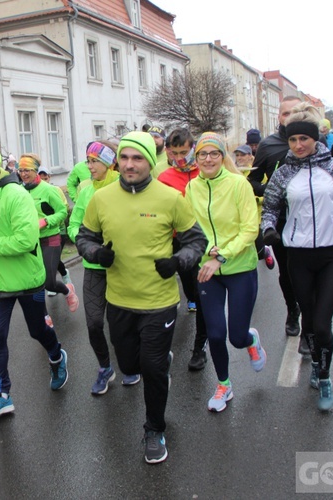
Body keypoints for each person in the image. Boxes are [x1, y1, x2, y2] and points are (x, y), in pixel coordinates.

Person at [76, 131, 206, 464]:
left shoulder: (170, 198)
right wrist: (95, 253)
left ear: (150, 161)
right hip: (119, 300)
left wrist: (179, 262)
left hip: (159, 300)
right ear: (117, 161)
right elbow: (84, 237)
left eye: (138, 158)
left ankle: (154, 429)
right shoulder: (101, 199)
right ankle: (159, 363)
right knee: (130, 365)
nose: (131, 164)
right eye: (125, 158)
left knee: (151, 367)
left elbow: (196, 241)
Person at [261, 103, 333, 412]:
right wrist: (269, 229)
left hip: (331, 255)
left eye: (304, 140)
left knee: (322, 325)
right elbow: (269, 207)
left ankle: (324, 376)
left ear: (315, 139)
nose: (298, 146)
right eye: (293, 140)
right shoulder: (283, 173)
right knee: (310, 322)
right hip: (298, 256)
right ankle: (315, 357)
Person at [0, 143, 69, 417]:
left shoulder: (16, 195)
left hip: (28, 281)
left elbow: (26, 239)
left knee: (37, 331)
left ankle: (56, 356)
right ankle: (3, 395)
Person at [185, 133, 265, 413]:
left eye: (214, 154)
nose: (208, 159)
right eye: (202, 154)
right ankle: (224, 384)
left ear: (223, 157)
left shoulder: (238, 184)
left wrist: (221, 255)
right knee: (216, 334)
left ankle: (250, 340)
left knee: (236, 336)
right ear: (196, 159)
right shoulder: (192, 187)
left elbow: (249, 228)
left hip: (240, 266)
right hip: (208, 270)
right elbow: (190, 227)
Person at [68, 140, 140, 394]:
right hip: (94, 264)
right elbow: (74, 223)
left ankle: (131, 365)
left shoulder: (125, 187)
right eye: (88, 161)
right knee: (94, 323)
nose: (90, 166)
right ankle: (105, 368)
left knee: (123, 324)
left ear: (111, 162)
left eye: (95, 161)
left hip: (122, 266)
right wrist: (89, 243)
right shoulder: (86, 189)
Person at [248, 95, 305, 351]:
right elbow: (252, 181)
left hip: (309, 221)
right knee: (288, 273)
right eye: (285, 114)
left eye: (295, 112)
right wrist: (268, 190)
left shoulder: (313, 141)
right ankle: (292, 310)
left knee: (309, 273)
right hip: (280, 222)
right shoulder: (268, 145)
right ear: (278, 118)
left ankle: (311, 325)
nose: (290, 117)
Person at [157, 128, 208, 371]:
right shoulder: (165, 177)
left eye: (184, 152)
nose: (180, 158)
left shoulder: (206, 171)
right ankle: (192, 299)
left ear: (193, 148)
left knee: (202, 294)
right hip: (178, 241)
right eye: (174, 153)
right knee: (190, 288)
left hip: (205, 239)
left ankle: (199, 348)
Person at [17, 154, 79, 313]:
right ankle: (43, 316)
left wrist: (45, 221)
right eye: (21, 170)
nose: (23, 174)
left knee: (49, 282)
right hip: (29, 242)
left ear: (36, 171)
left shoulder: (49, 190)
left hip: (50, 239)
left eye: (27, 170)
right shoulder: (19, 191)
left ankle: (67, 291)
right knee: (33, 282)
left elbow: (62, 212)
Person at [38, 166, 74, 298]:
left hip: (59, 231)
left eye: (45, 177)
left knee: (53, 259)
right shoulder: (34, 191)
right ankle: (59, 276)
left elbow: (63, 208)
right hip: (41, 234)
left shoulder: (55, 190)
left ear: (49, 177)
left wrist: (52, 222)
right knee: (49, 260)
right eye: (40, 177)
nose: (43, 179)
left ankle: (58, 279)